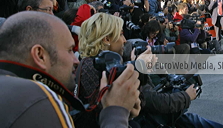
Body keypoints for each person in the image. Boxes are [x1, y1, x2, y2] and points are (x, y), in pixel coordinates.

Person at [0, 11, 141, 127]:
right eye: (69, 50)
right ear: (40, 55)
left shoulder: (10, 90)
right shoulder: (38, 102)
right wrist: (115, 112)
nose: (75, 60)